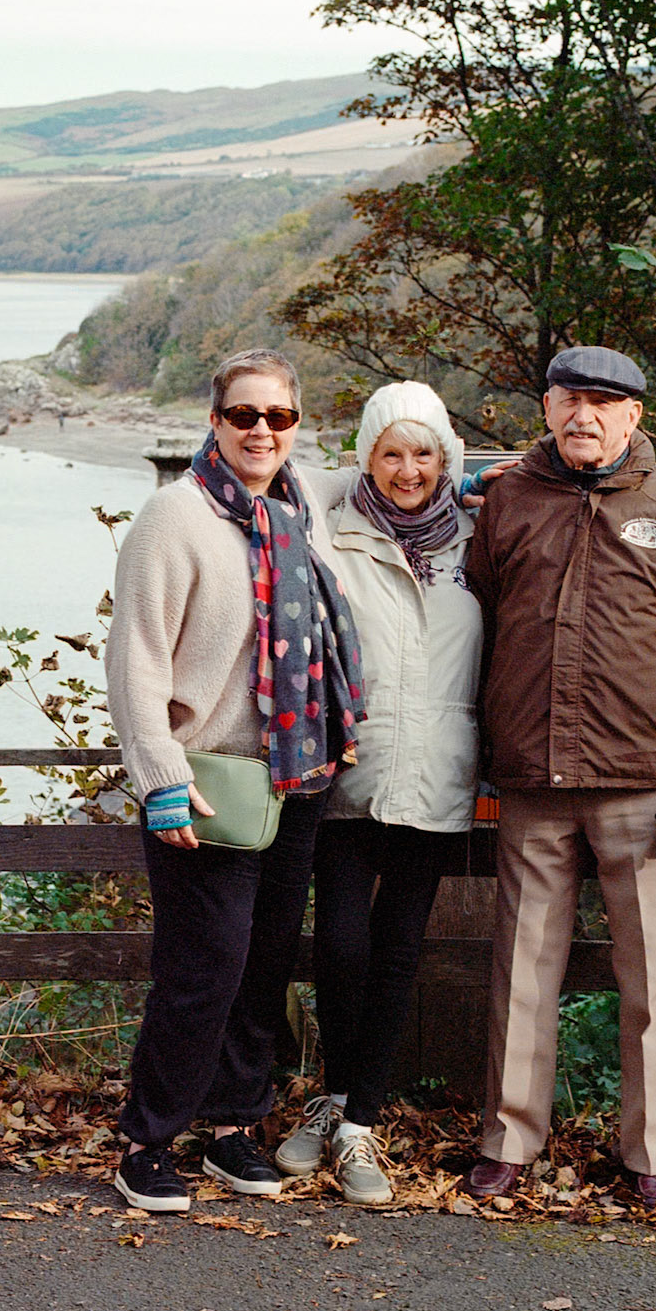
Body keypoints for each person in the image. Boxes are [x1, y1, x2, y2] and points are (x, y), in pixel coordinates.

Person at [461, 345, 656, 1206]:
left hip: (646, 781)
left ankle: (649, 1156)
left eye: (603, 402)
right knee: (521, 970)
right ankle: (509, 1142)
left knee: (653, 980)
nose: (583, 415)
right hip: (531, 777)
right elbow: (467, 616)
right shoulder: (508, 497)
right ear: (546, 408)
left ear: (633, 417)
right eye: (568, 399)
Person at [104, 348, 366, 1213]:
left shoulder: (299, 507)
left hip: (296, 779)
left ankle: (230, 1127)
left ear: (297, 426)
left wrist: (486, 484)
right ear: (214, 421)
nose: (262, 431)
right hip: (207, 781)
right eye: (244, 415)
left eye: (279, 417)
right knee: (202, 965)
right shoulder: (173, 516)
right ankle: (147, 1139)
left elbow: (390, 468)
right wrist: (159, 778)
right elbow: (136, 658)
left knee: (261, 964)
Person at [273, 382, 482, 1207]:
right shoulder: (333, 525)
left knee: (399, 951)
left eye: (425, 453)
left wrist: (476, 483)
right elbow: (292, 474)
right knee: (342, 947)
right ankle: (331, 1096)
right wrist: (351, 469)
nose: (408, 469)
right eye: (390, 452)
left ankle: (358, 1122)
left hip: (438, 772)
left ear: (447, 459)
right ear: (365, 456)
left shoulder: (475, 538)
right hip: (350, 771)